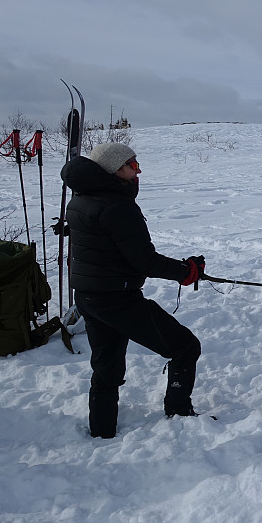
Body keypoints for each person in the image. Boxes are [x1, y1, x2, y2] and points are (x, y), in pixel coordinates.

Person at [61, 142, 206, 439]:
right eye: (133, 165)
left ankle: (102, 431)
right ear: (115, 169)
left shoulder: (81, 199)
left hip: (89, 296)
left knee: (106, 369)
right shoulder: (117, 206)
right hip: (117, 298)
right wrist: (187, 272)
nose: (138, 171)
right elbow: (145, 261)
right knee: (185, 347)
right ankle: (179, 414)